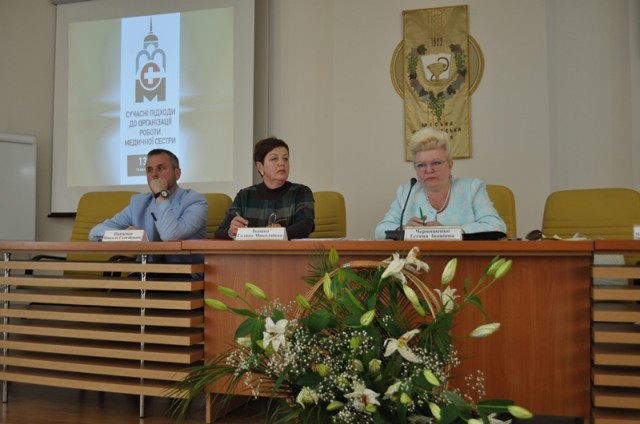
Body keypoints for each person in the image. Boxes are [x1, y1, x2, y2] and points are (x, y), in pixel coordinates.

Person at [374, 127, 506, 240]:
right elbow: (380, 230)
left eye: (436, 163)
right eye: (421, 165)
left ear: (450, 164)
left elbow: (496, 226)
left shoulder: (472, 188)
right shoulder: (406, 191)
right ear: (415, 168)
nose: (429, 170)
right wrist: (403, 229)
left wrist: (447, 232)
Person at [89, 148, 208, 265]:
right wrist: (126, 236)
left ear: (177, 174)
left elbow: (170, 235)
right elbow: (95, 233)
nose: (154, 175)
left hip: (183, 272)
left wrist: (160, 195)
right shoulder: (138, 203)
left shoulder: (195, 201)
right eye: (149, 170)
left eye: (161, 168)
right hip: (145, 271)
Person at [215, 136, 315, 240]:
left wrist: (280, 233)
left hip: (287, 250)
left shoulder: (301, 192)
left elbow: (306, 226)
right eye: (274, 158)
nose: (282, 163)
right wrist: (231, 231)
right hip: (252, 251)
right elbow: (219, 233)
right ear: (260, 167)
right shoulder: (245, 196)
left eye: (285, 158)